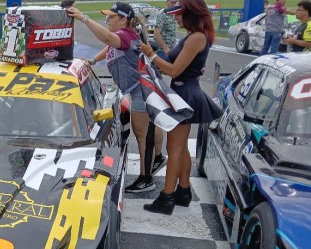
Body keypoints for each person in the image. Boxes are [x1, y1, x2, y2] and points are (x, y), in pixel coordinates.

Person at [67, 2, 163, 193]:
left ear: (123, 20)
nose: (107, 19)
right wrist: (93, 60)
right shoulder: (125, 35)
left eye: (111, 16)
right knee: (149, 130)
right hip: (143, 88)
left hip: (140, 91)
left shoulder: (124, 35)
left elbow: (109, 39)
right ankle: (157, 157)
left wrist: (85, 19)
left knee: (142, 135)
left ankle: (146, 179)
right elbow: (111, 47)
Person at [139, 0, 223, 215]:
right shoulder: (193, 36)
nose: (175, 18)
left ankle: (166, 198)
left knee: (173, 148)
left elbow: (175, 70)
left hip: (184, 93)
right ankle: (183, 191)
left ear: (192, 14)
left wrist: (151, 54)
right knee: (181, 146)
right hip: (182, 92)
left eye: (179, 14)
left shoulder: (196, 38)